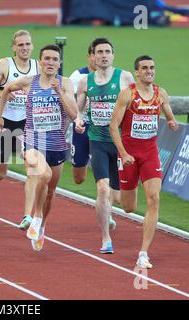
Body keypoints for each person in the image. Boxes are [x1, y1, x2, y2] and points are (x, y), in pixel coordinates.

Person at [0, 44, 77, 251]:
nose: (50, 62)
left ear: (59, 63)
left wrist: (60, 93)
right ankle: (36, 216)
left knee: (50, 192)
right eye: (46, 59)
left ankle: (41, 225)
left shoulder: (65, 83)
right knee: (43, 174)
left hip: (57, 144)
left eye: (54, 59)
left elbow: (74, 114)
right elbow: (5, 89)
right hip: (32, 140)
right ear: (40, 62)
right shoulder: (28, 82)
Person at [110, 55, 179, 268]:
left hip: (150, 153)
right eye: (145, 68)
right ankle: (119, 192)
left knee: (154, 198)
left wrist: (171, 121)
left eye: (152, 67)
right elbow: (113, 127)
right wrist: (123, 153)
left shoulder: (161, 94)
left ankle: (143, 253)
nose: (149, 71)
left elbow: (169, 115)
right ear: (137, 72)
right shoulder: (127, 94)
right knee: (129, 207)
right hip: (129, 155)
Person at [76, 38, 134, 254]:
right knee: (102, 189)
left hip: (120, 145)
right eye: (99, 52)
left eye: (107, 51)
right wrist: (79, 122)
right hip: (98, 141)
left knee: (118, 199)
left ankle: (106, 209)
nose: (103, 55)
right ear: (93, 56)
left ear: (113, 55)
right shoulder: (85, 81)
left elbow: (134, 105)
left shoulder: (124, 77)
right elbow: (80, 111)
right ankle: (105, 239)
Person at [0, 30, 39, 231]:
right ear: (14, 47)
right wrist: (3, 94)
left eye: (28, 44)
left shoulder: (38, 67)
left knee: (32, 167)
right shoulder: (4, 65)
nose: (24, 48)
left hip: (28, 124)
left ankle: (27, 216)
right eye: (20, 45)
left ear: (32, 46)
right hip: (4, 122)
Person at [68, 42, 96, 185]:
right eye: (94, 54)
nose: (98, 58)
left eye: (103, 53)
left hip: (103, 129)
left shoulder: (114, 78)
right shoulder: (78, 76)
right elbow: (67, 100)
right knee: (79, 178)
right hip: (82, 127)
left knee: (106, 173)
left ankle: (105, 196)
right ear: (89, 57)